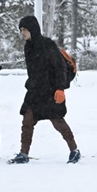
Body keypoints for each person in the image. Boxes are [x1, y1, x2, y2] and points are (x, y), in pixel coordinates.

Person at [9, 16, 80, 164]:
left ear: (32, 30)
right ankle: (23, 154)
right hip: (34, 91)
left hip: (50, 90)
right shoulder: (28, 46)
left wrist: (60, 88)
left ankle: (74, 150)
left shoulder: (48, 45)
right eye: (20, 30)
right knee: (27, 121)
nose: (22, 33)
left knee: (58, 122)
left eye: (25, 30)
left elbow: (60, 68)